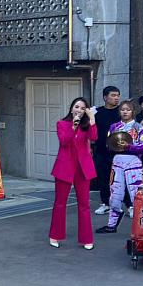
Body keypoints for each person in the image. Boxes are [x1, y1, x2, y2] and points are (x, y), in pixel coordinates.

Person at [49, 98, 98, 249]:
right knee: (60, 203)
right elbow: (64, 141)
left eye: (83, 108)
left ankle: (87, 239)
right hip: (65, 167)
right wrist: (73, 126)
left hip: (83, 168)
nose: (79, 110)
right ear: (71, 109)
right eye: (77, 107)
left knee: (84, 204)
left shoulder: (86, 126)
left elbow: (94, 137)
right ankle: (55, 235)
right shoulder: (62, 124)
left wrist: (92, 119)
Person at [96, 99, 143, 234]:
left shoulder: (139, 128)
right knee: (115, 195)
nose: (125, 112)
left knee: (137, 196)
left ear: (133, 112)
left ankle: (142, 228)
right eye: (122, 109)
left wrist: (129, 147)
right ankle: (111, 225)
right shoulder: (114, 127)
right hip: (117, 162)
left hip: (134, 163)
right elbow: (108, 145)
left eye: (128, 109)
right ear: (119, 111)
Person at [93, 86, 121, 216]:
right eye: (113, 95)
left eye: (118, 96)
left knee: (119, 179)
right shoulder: (97, 112)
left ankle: (129, 205)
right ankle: (105, 204)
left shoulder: (121, 112)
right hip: (101, 151)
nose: (116, 98)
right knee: (103, 179)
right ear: (105, 97)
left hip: (119, 152)